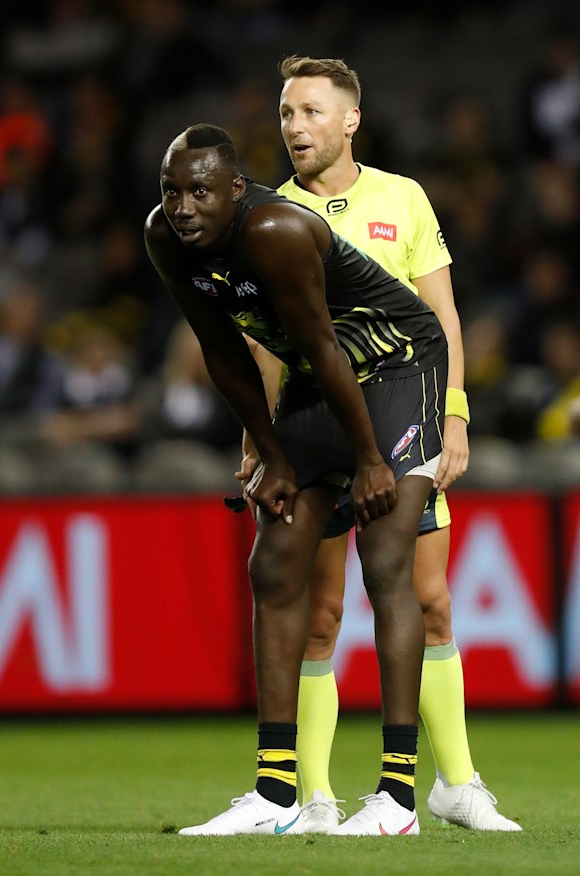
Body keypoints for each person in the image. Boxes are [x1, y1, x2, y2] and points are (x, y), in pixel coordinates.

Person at [237, 55, 521, 833]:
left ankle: (455, 785)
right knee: (321, 612)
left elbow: (444, 315)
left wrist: (454, 415)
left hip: (404, 421)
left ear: (350, 119)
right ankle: (315, 799)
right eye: (288, 112)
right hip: (316, 432)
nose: (295, 126)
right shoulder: (269, 216)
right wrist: (260, 442)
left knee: (427, 600)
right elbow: (265, 348)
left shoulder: (404, 197)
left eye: (311, 111)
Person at [145, 123, 449, 836]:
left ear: (237, 190)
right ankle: (275, 795)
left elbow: (319, 342)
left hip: (398, 362)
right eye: (172, 191)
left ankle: (397, 798)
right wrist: (275, 454)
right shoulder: (165, 238)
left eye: (200, 192)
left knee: (384, 562)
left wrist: (371, 459)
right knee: (276, 560)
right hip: (326, 376)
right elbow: (222, 352)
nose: (184, 207)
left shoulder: (278, 229)